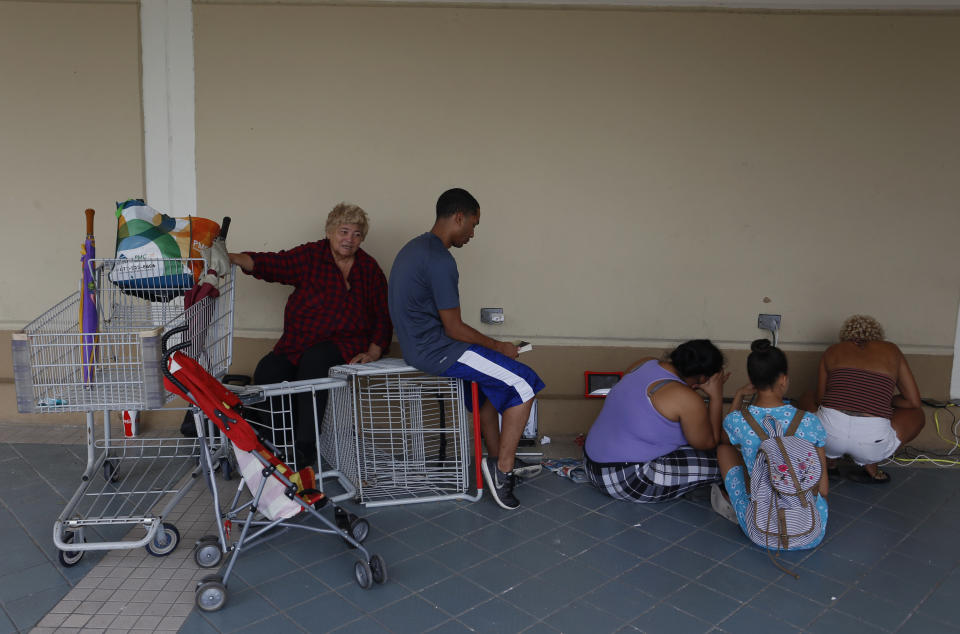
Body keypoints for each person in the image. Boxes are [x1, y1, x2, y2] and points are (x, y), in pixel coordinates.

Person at [388, 188, 545, 510]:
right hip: (439, 350)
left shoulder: (413, 248)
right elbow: (454, 328)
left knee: (486, 389)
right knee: (524, 383)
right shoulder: (440, 259)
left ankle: (493, 461)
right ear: (458, 217)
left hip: (419, 347)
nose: (473, 233)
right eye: (473, 224)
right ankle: (502, 469)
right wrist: (500, 346)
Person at [229, 202, 392, 465]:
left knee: (315, 363)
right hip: (299, 341)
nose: (350, 239)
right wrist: (235, 258)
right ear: (329, 231)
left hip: (346, 343)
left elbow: (384, 314)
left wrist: (374, 351)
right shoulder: (311, 256)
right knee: (268, 370)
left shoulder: (369, 269)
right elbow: (275, 264)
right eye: (344, 231)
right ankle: (281, 442)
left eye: (357, 234)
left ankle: (305, 448)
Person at [583, 339, 728, 503]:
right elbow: (710, 442)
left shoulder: (643, 363)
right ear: (703, 378)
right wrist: (716, 396)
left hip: (591, 465)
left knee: (691, 444)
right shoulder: (687, 399)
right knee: (725, 462)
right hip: (626, 480)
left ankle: (689, 487)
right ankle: (698, 489)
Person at [716, 340, 829, 549]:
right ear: (784, 380)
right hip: (810, 529)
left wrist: (739, 395)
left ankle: (735, 502)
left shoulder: (738, 420)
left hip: (760, 530)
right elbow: (823, 489)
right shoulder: (809, 421)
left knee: (724, 450)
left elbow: (725, 441)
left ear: (751, 380)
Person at [812, 314, 924, 484]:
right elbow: (913, 402)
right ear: (878, 336)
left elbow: (820, 399)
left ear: (845, 336)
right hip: (872, 442)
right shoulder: (892, 350)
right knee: (917, 414)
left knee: (807, 397)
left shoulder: (833, 350)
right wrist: (884, 401)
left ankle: (829, 461)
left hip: (828, 437)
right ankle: (871, 464)